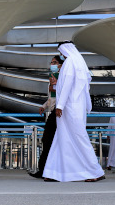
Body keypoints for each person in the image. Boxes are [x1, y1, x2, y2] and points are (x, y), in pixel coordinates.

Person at [42, 41, 106, 183]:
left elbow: (67, 85)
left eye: (61, 52)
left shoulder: (71, 62)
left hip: (70, 107)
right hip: (70, 107)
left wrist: (60, 105)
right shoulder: (75, 62)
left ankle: (95, 171)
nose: (61, 55)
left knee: (79, 137)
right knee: (61, 138)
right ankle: (54, 172)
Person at [29, 55, 62, 178]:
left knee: (49, 140)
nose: (52, 64)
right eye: (51, 62)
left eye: (55, 62)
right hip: (54, 111)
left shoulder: (63, 77)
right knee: (47, 141)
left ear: (60, 65)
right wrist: (44, 106)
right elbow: (51, 98)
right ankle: (43, 169)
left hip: (60, 112)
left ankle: (48, 170)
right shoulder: (52, 78)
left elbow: (61, 94)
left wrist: (55, 85)